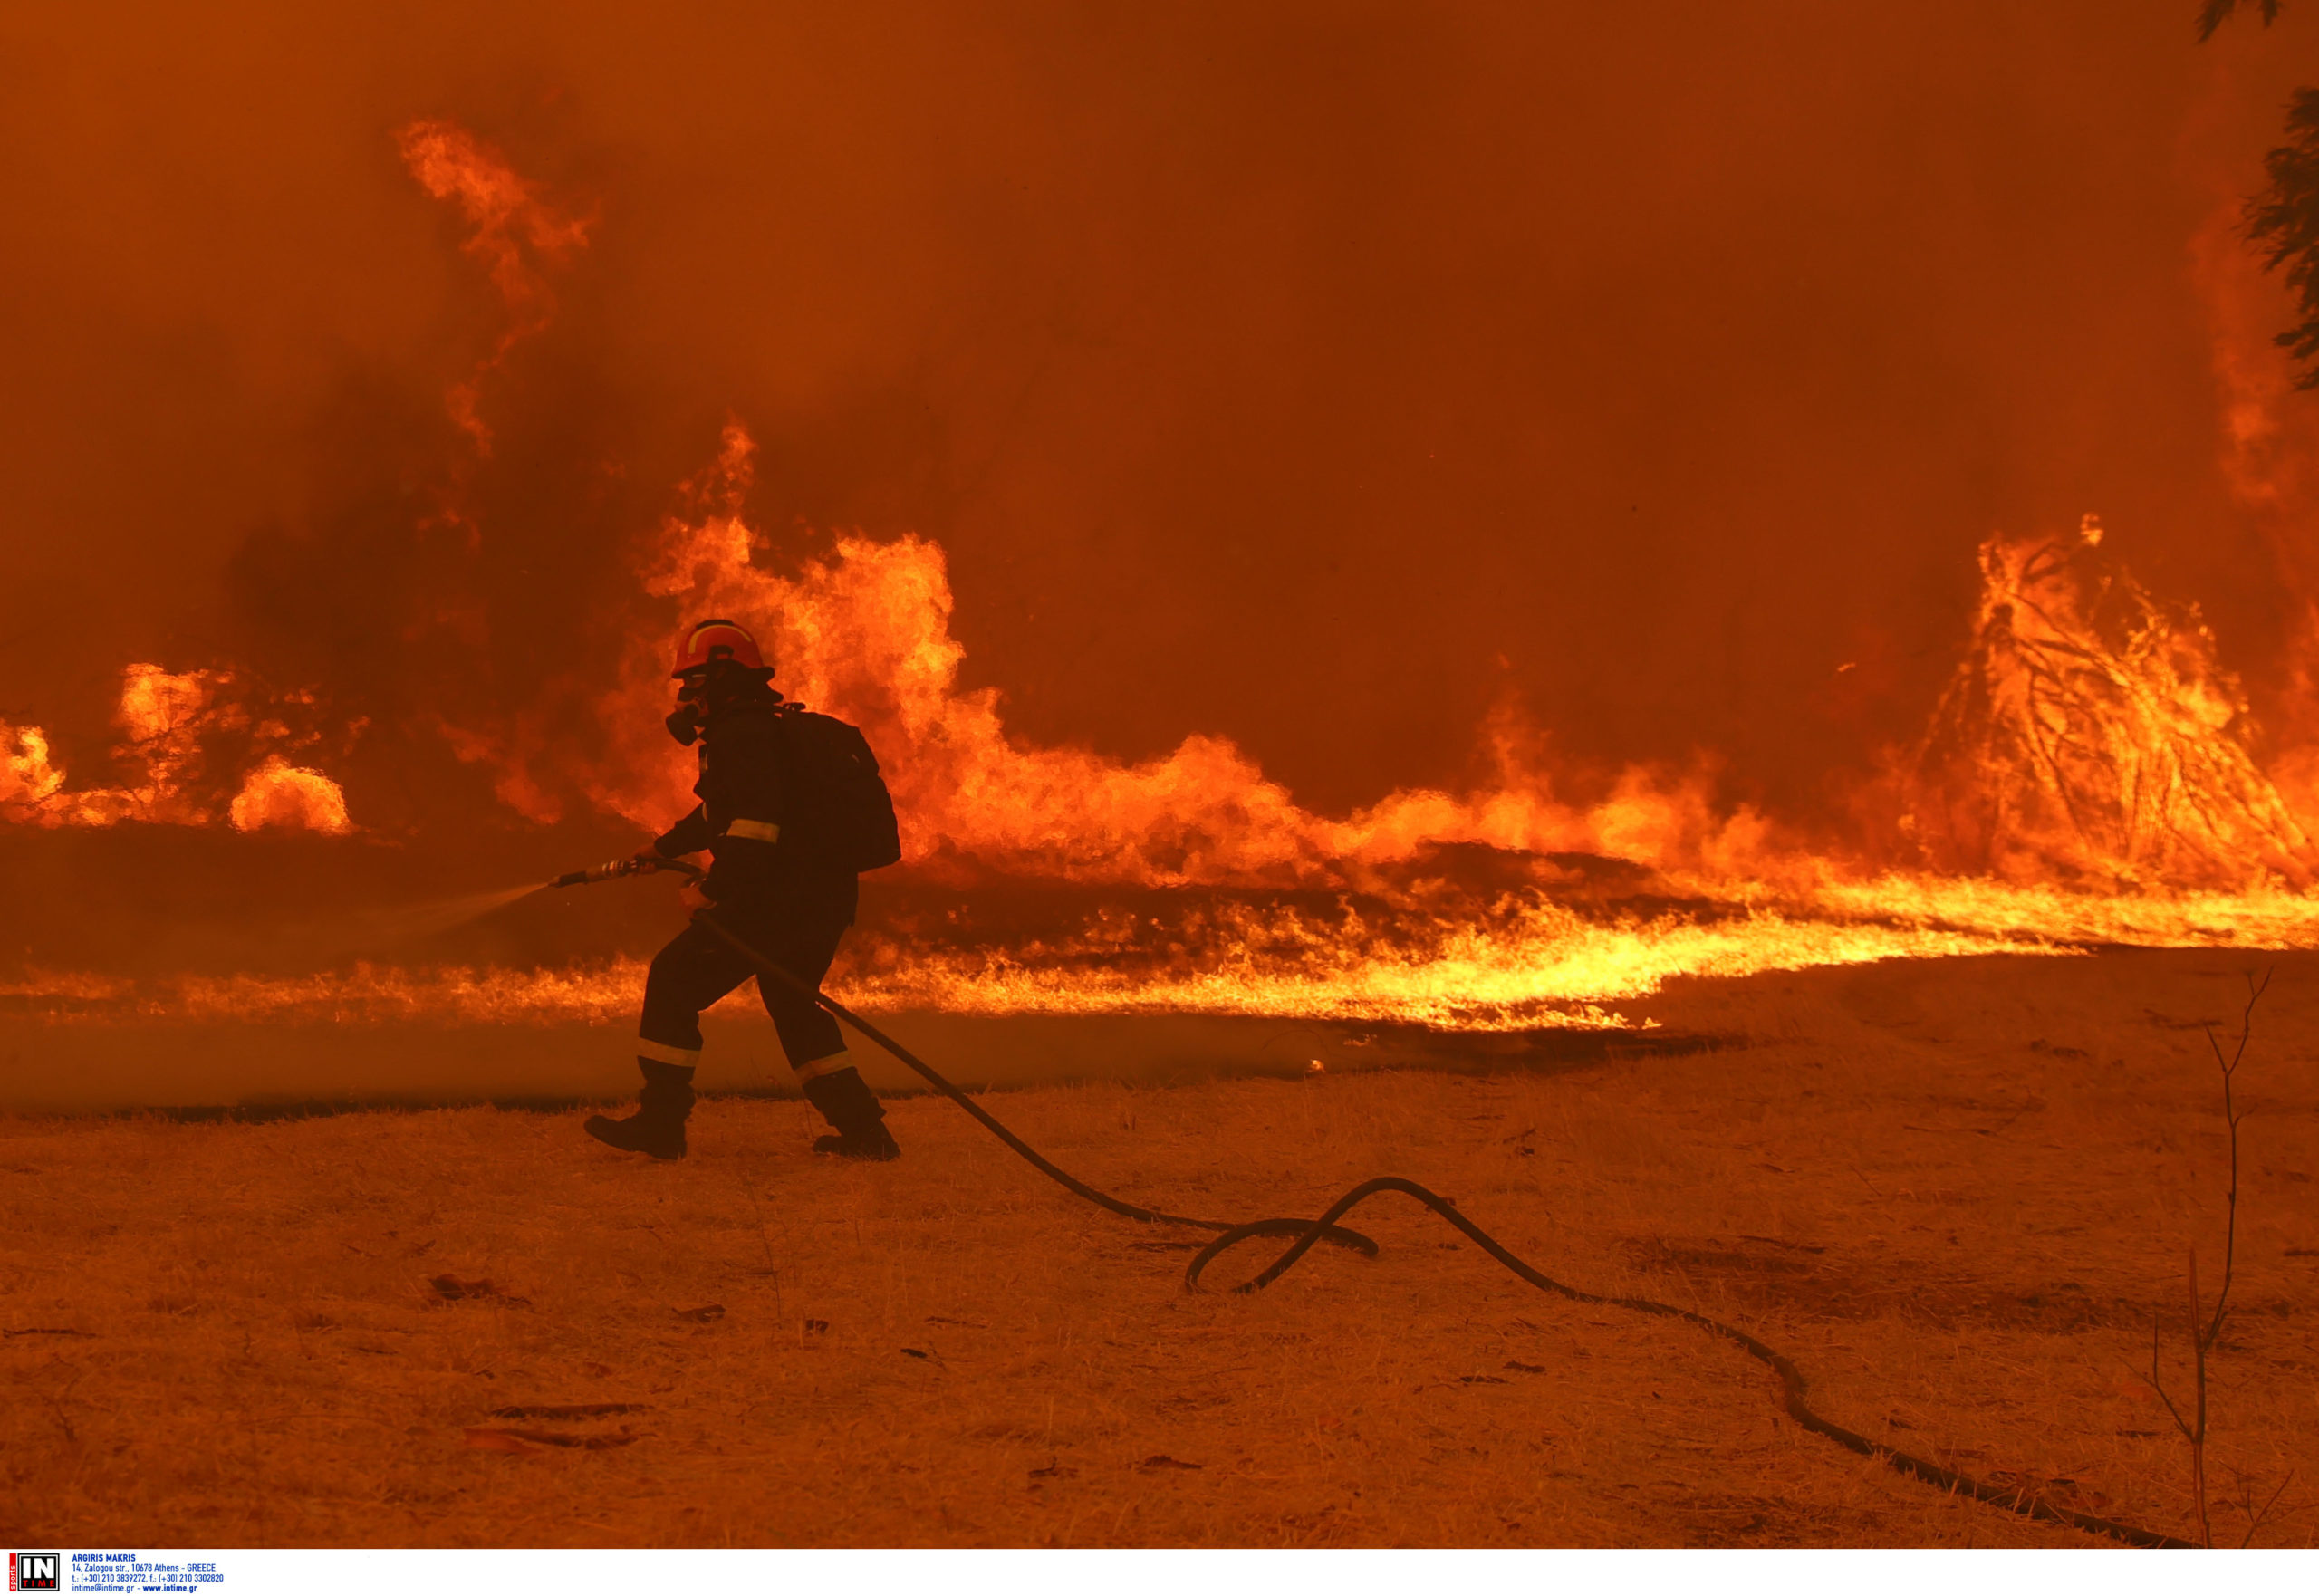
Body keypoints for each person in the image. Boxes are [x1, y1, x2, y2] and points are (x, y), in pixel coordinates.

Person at [584, 618, 900, 1162]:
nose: (685, 697)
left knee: (673, 980)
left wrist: (713, 890)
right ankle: (865, 1132)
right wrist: (661, 848)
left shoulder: (741, 735)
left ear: (724, 677)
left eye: (693, 682)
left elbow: (754, 828)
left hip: (777, 902)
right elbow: (722, 811)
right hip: (822, 900)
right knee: (793, 1005)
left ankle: (661, 1122)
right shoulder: (766, 729)